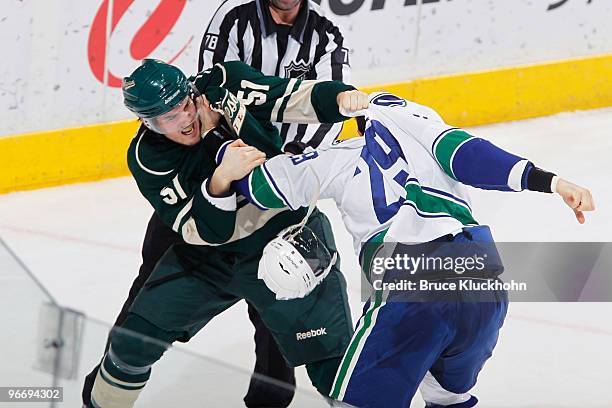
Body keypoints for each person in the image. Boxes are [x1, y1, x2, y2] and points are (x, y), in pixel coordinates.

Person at [207, 92, 595, 408]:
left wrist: (225, 147)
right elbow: (474, 156)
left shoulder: (344, 155)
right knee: (450, 398)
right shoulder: (430, 132)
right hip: (483, 277)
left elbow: (259, 186)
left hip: (412, 280)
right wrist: (553, 182)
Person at [82, 2, 353, 406]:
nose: (184, 120)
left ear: (193, 93)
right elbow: (204, 231)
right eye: (167, 119)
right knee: (130, 346)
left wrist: (343, 98)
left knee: (332, 363)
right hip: (209, 254)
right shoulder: (148, 158)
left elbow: (287, 97)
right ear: (145, 123)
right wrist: (221, 176)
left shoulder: (222, 83)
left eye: (185, 106)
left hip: (286, 235)